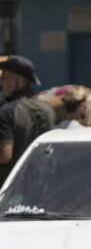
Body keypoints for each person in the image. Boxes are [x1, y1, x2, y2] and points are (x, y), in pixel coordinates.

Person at [0, 55, 54, 185]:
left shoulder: (7, 111)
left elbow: (4, 156)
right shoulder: (47, 108)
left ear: (18, 80)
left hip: (9, 185)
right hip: (41, 183)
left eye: (4, 77)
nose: (1, 82)